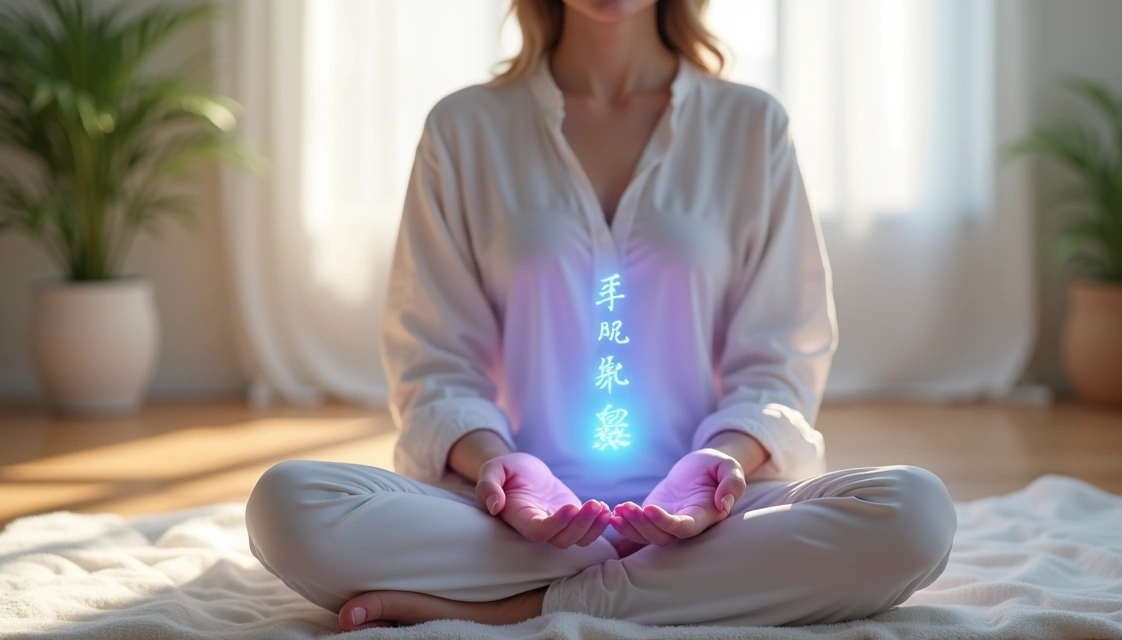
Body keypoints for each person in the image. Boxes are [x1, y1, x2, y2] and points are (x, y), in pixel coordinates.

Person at [245, 0, 957, 631]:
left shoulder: (751, 126)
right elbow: (436, 364)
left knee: (916, 514)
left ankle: (516, 609)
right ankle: (667, 593)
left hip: (711, 522)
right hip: (509, 526)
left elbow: (780, 358)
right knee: (285, 505)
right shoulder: (463, 129)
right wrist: (500, 469)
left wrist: (722, 464)